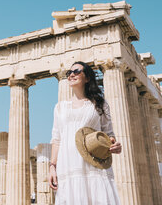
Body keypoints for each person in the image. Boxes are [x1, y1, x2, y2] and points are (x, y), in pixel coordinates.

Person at [48, 61, 122, 205]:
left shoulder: (100, 104)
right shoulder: (59, 108)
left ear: (87, 77)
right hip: (67, 165)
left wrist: (114, 144)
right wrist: (52, 166)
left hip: (92, 164)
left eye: (76, 71)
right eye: (69, 73)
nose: (71, 75)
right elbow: (57, 139)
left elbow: (108, 133)